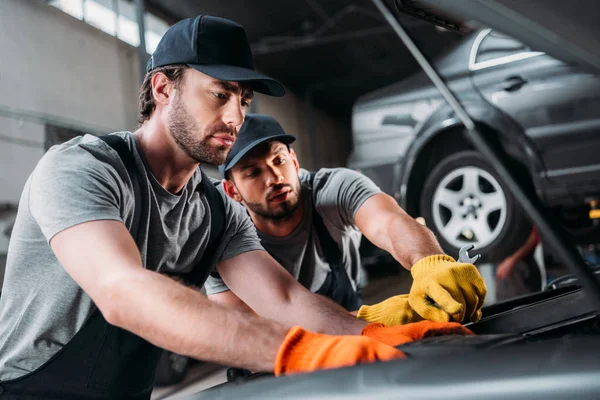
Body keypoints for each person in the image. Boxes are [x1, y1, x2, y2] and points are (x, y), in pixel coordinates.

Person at [0, 15, 472, 399]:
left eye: (242, 101)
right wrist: (300, 353)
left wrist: (366, 334)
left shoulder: (215, 212)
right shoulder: (83, 169)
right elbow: (122, 291)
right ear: (164, 89)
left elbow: (286, 301)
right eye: (220, 94)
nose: (235, 117)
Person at [206, 114, 487, 326]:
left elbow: (389, 222)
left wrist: (429, 262)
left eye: (278, 160)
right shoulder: (222, 230)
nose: (274, 178)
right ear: (232, 191)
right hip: (278, 360)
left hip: (353, 332)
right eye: (253, 173)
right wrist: (373, 320)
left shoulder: (333, 188)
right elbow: (252, 327)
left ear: (293, 160)